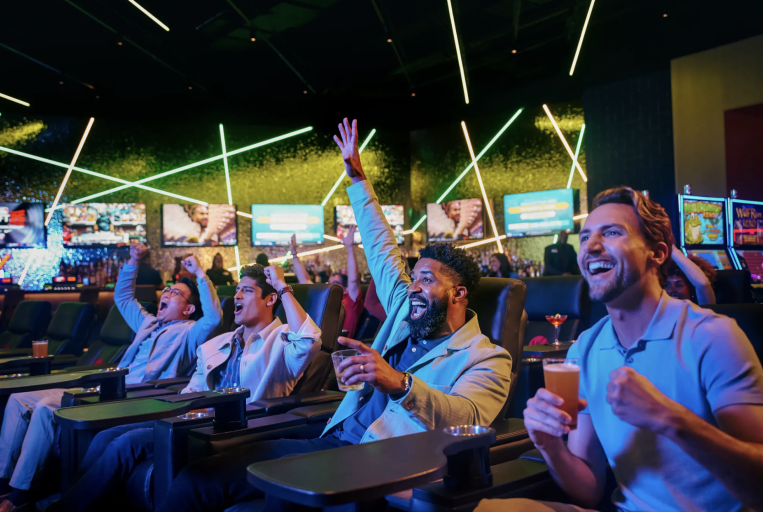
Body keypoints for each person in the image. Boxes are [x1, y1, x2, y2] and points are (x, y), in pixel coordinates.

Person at [154, 118, 513, 512]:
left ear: (458, 293)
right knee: (200, 478)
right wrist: (358, 180)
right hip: (334, 442)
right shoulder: (403, 311)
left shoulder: (488, 357)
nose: (412, 286)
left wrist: (399, 383)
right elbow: (381, 248)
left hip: (382, 466)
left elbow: (468, 417)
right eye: (414, 278)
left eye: (425, 279)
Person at [477, 187, 763, 512]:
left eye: (612, 232)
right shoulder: (585, 348)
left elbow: (762, 488)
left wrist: (670, 419)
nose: (591, 247)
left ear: (657, 253)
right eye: (584, 238)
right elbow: (587, 490)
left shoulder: (712, 336)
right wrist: (549, 447)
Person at [48, 263, 322, 512]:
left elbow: (310, 340)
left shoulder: (283, 340)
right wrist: (170, 412)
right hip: (192, 419)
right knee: (107, 435)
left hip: (237, 427)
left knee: (126, 444)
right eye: (237, 290)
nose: (237, 296)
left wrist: (282, 286)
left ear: (270, 299)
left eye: (247, 291)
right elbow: (193, 390)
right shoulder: (217, 344)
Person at [0, 244, 221, 512]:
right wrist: (133, 260)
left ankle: (20, 492)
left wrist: (199, 272)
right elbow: (125, 299)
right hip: (107, 386)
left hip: (134, 395)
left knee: (46, 406)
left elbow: (213, 317)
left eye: (176, 293)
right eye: (167, 289)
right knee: (18, 400)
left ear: (188, 309)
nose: (167, 292)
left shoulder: (189, 333)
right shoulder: (147, 322)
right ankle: (3, 478)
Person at [291, 227, 366, 337]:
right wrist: (294, 254)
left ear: (346, 289)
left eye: (335, 283)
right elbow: (305, 280)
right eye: (329, 283)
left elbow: (353, 281)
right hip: (319, 344)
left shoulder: (350, 300)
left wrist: (350, 248)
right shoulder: (326, 298)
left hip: (339, 348)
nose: (331, 287)